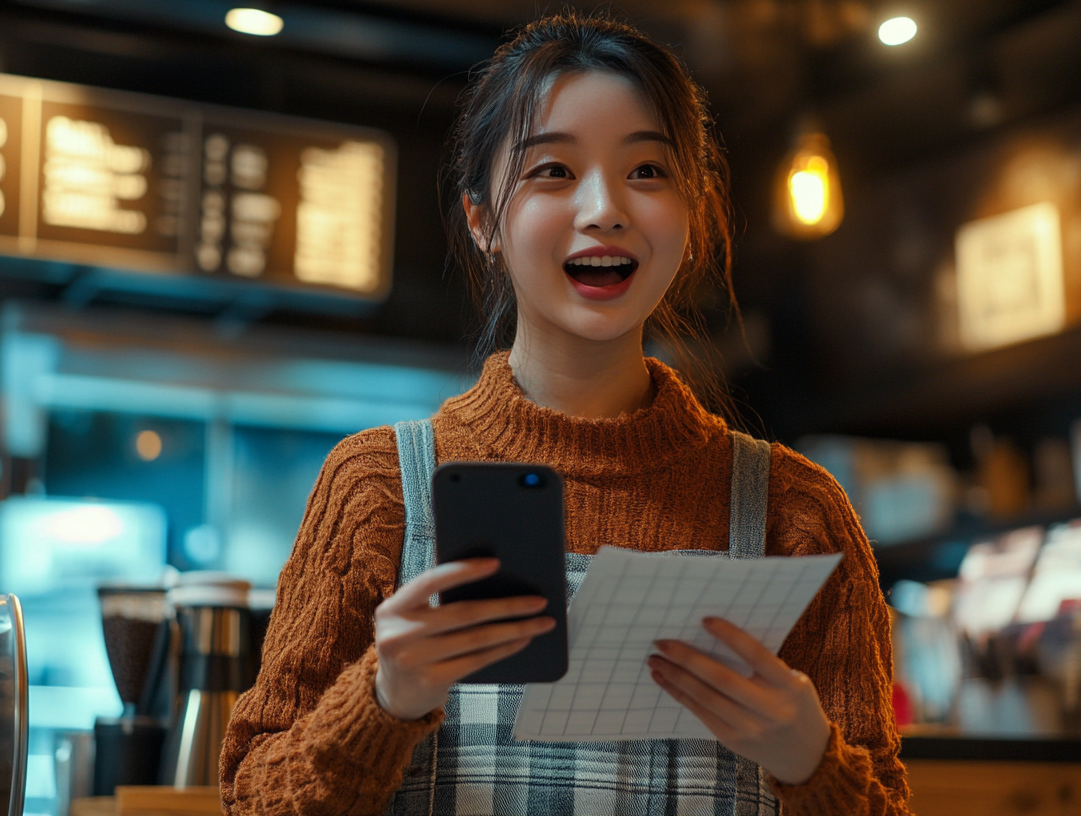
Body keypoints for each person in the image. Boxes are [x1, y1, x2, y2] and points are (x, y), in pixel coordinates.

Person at [222, 12, 910, 816]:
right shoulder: (379, 490)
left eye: (647, 171)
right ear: (482, 220)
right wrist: (384, 696)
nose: (604, 208)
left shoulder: (799, 513)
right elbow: (252, 800)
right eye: (552, 170)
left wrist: (809, 760)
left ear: (690, 218)